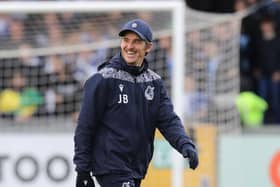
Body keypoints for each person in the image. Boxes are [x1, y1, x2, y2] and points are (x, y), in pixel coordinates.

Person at [73, 19, 199, 187]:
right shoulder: (103, 79)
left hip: (136, 168)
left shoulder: (154, 83)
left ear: (148, 47)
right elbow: (85, 126)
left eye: (136, 42)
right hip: (111, 166)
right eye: (126, 40)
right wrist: (82, 169)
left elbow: (168, 120)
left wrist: (185, 144)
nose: (129, 46)